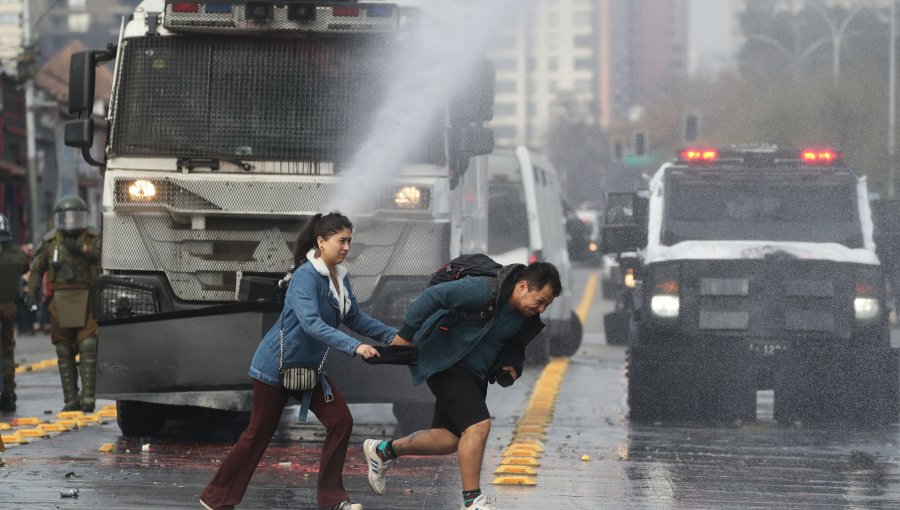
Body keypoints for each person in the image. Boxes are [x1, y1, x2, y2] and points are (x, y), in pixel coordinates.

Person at [200, 212, 398, 510]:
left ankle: (333, 500)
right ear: (321, 241)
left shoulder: (340, 278)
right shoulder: (306, 276)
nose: (347, 247)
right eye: (341, 241)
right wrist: (355, 347)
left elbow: (355, 317)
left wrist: (395, 337)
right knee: (257, 435)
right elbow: (311, 324)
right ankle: (216, 498)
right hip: (275, 368)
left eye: (349, 241)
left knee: (341, 421)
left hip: (309, 370)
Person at [364, 261, 562, 510]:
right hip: (447, 361)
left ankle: (382, 451)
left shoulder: (524, 316)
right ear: (523, 286)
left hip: (475, 374)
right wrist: (405, 337)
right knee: (478, 426)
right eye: (540, 300)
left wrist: (513, 366)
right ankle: (472, 501)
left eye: (546, 305)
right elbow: (433, 296)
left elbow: (514, 344)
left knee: (447, 439)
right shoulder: (484, 289)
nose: (541, 308)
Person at [26, 196, 101, 412]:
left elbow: (104, 256)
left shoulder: (92, 237)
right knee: (63, 348)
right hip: (59, 299)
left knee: (88, 346)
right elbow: (37, 269)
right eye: (66, 217)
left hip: (87, 298)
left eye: (75, 216)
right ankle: (70, 399)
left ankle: (88, 398)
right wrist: (31, 294)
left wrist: (84, 251)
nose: (70, 221)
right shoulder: (51, 242)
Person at [0, 215, 28, 411]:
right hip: (8, 308)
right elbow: (25, 267)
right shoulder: (17, 253)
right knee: (7, 351)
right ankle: (9, 394)